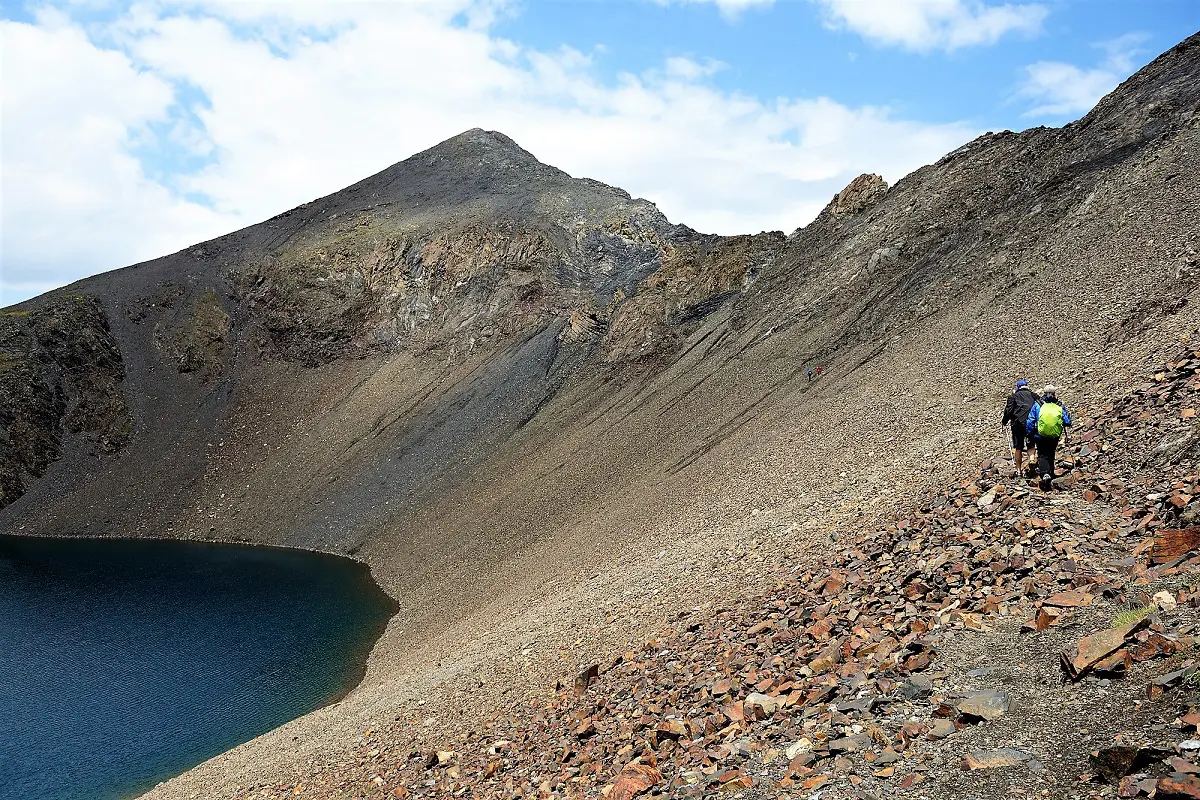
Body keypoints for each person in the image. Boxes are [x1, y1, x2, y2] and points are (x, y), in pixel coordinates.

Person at [1025, 385, 1072, 490]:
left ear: (1044, 393)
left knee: (1042, 454)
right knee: (1051, 453)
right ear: (1055, 394)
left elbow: (1031, 420)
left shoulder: (1038, 404)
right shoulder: (1059, 405)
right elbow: (1067, 421)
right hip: (1054, 435)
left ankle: (1045, 474)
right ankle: (1051, 474)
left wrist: (1029, 433)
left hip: (1040, 434)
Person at [1001, 379, 1040, 475]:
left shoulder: (1013, 397)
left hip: (1017, 424)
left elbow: (1008, 411)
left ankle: (1019, 470)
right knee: (1031, 444)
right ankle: (1031, 460)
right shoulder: (1034, 395)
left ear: (1017, 387)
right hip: (1031, 423)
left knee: (1018, 447)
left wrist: (1004, 421)